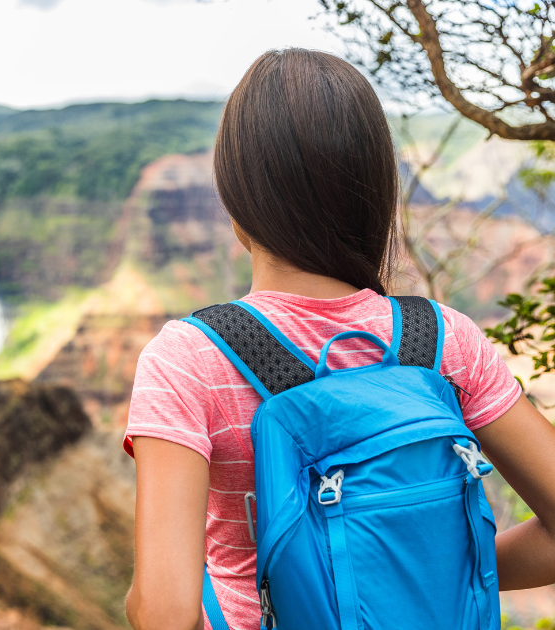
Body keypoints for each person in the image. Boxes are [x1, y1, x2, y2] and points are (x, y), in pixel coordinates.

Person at [122, 48, 555, 630]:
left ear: (235, 202)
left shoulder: (187, 360)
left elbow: (164, 614)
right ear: (376, 192)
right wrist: (427, 571)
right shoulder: (445, 340)